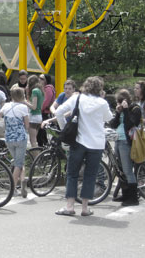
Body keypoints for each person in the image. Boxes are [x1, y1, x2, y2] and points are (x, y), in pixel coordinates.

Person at [53, 76, 112, 217]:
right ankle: (85, 208)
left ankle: (70, 206)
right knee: (90, 175)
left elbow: (58, 112)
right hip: (97, 143)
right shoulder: (102, 103)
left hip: (79, 141)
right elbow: (109, 118)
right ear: (100, 88)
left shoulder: (77, 99)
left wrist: (64, 128)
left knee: (72, 174)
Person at [0, 87, 29, 197]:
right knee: (18, 164)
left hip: (9, 138)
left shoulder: (6, 106)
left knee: (18, 161)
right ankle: (14, 188)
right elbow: (27, 124)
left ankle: (23, 180)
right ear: (22, 96)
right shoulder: (23, 107)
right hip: (20, 138)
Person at [108, 89, 142, 206]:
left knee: (127, 170)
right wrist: (118, 113)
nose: (118, 104)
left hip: (126, 142)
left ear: (126, 100)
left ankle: (133, 198)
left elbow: (130, 124)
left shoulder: (135, 109)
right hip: (118, 140)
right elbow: (113, 124)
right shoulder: (121, 110)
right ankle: (125, 194)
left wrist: (126, 110)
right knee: (121, 170)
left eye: (120, 101)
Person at [24, 75, 44, 148]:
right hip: (39, 117)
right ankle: (37, 157)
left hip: (33, 117)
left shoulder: (34, 91)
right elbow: (39, 106)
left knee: (33, 141)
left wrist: (24, 101)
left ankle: (36, 158)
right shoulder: (40, 90)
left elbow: (33, 107)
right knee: (34, 140)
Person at [38, 74, 55, 147]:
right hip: (42, 113)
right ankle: (44, 150)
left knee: (40, 134)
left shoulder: (48, 89)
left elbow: (46, 101)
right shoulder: (43, 88)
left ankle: (41, 149)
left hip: (44, 113)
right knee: (42, 134)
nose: (39, 79)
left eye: (42, 78)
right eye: (39, 78)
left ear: (46, 80)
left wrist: (38, 109)